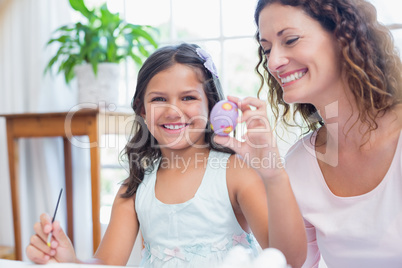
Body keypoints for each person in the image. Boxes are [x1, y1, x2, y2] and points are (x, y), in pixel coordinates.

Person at [26, 43, 307, 267]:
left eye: (188, 98)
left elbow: (289, 260)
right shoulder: (134, 188)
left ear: (213, 106)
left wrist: (274, 174)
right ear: (142, 110)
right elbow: (106, 263)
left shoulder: (235, 172)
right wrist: (70, 261)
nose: (173, 110)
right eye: (159, 99)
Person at [215, 0, 402, 267]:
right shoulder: (301, 163)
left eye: (290, 40)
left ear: (344, 36)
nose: (274, 62)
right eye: (266, 49)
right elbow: (291, 264)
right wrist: (273, 173)